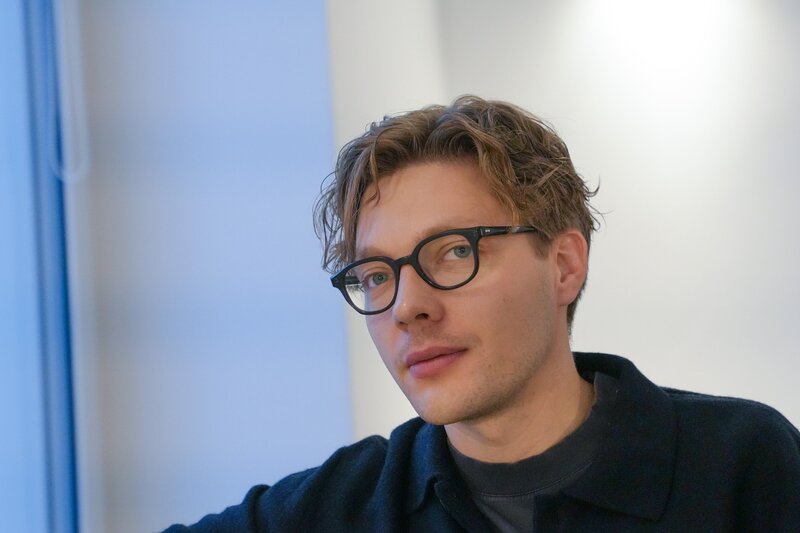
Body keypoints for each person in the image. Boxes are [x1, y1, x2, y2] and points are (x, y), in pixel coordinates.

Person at [164, 96, 800, 532]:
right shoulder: (338, 508)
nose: (408, 307)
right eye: (377, 275)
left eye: (453, 252)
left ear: (564, 265)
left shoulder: (742, 464)